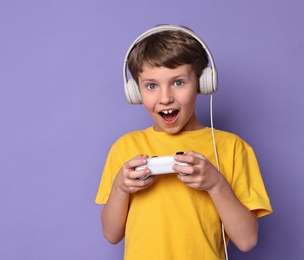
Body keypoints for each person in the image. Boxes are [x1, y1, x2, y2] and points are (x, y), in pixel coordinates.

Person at [95, 25, 272, 260]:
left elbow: (247, 240)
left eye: (178, 82)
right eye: (151, 86)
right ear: (135, 92)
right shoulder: (125, 147)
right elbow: (111, 234)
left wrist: (215, 185)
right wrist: (120, 187)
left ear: (202, 83)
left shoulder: (232, 148)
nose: (165, 97)